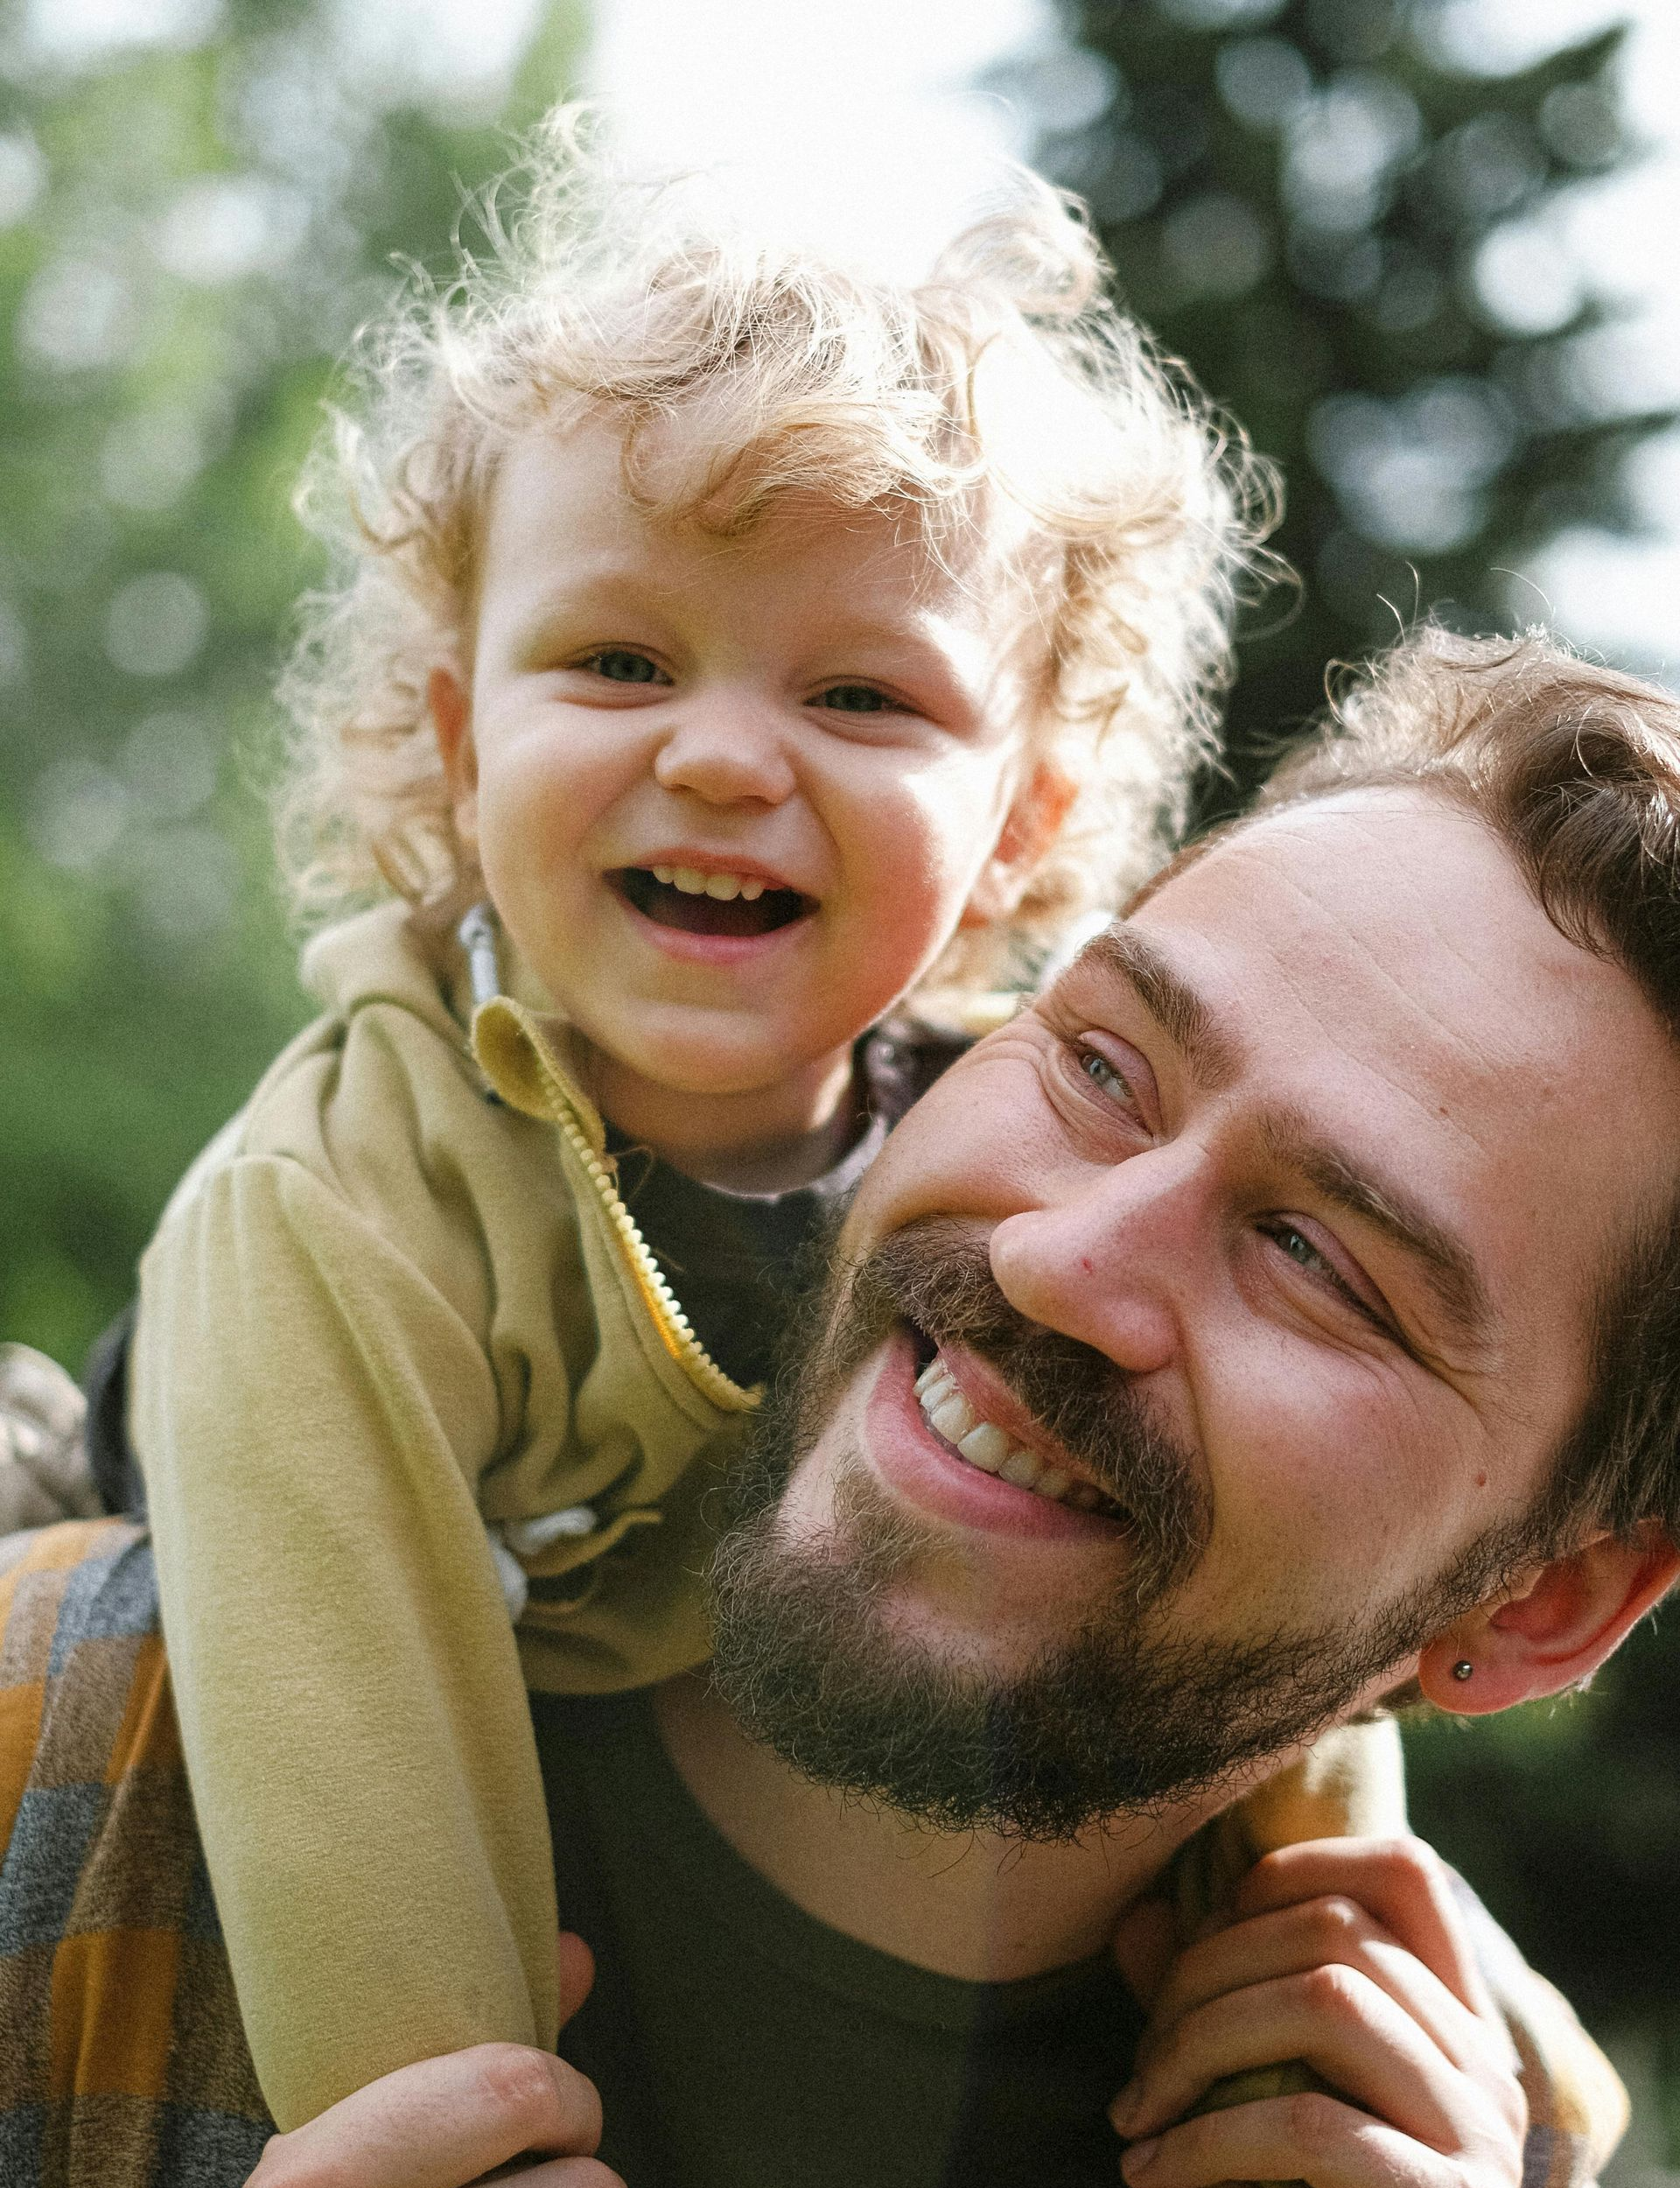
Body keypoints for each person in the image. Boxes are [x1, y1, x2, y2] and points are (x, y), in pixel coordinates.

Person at [9, 111, 1315, 2136]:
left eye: (864, 698)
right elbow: (335, 1749)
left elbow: (1264, 1569)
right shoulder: (339, 1199)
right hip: (232, 1596)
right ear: (461, 737)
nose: (718, 753)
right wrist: (453, 2116)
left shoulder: (1010, 1168)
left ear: (1024, 823)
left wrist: (1354, 1917)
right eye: (616, 661)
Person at [3, 627, 1669, 2187]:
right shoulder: (47, 1753)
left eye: (1319, 1260)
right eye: (1099, 1065)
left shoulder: (1454, 2140)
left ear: (1541, 1604)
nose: (1057, 1261)